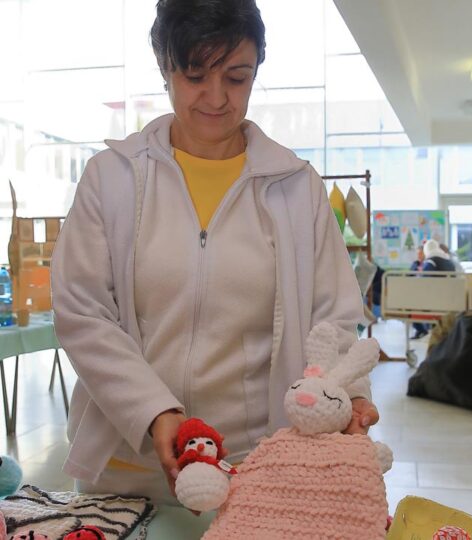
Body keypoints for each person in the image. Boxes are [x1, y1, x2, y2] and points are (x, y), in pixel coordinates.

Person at [51, 0, 379, 506]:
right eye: (195, 74)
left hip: (252, 462)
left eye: (237, 77)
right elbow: (83, 313)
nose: (216, 97)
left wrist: (349, 395)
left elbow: (331, 318)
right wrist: (156, 412)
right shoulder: (113, 178)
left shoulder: (295, 187)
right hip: (127, 464)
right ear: (165, 66)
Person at [409, 244, 429, 339]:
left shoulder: (428, 264)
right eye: (418, 254)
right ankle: (421, 329)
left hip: (426, 292)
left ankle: (423, 330)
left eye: (421, 253)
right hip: (414, 291)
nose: (419, 256)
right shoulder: (415, 264)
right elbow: (409, 276)